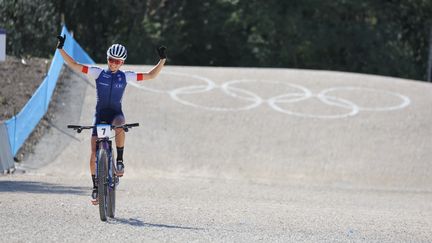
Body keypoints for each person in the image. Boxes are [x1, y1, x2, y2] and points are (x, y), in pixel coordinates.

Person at [56, 34, 166, 205]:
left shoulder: (125, 76)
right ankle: (95, 187)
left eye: (118, 61)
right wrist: (60, 49)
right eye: (111, 59)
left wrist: (162, 60)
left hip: (115, 114)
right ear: (107, 59)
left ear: (122, 63)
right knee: (93, 154)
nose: (114, 63)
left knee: (121, 123)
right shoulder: (97, 72)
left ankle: (120, 160)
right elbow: (74, 65)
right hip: (100, 116)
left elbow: (151, 75)